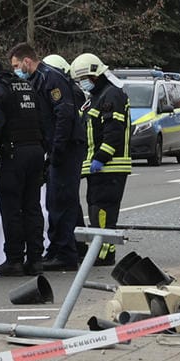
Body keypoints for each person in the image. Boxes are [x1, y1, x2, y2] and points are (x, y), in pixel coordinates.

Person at [11, 43, 83, 270]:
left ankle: (66, 253)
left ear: (27, 61)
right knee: (54, 200)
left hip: (66, 147)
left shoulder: (51, 78)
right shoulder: (37, 79)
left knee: (61, 200)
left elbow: (64, 115)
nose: (15, 70)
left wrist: (57, 149)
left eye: (16, 65)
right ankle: (57, 248)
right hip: (55, 147)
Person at [0, 57, 51, 276]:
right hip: (36, 152)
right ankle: (36, 259)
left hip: (12, 154)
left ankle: (15, 259)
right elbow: (43, 119)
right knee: (32, 206)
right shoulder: (28, 87)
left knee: (12, 208)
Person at [71, 52, 131, 264]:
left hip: (110, 166)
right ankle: (99, 250)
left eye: (83, 79)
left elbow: (113, 131)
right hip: (99, 168)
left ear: (94, 75)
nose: (82, 84)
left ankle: (104, 253)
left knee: (103, 211)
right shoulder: (96, 97)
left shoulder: (111, 95)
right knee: (96, 210)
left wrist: (101, 158)